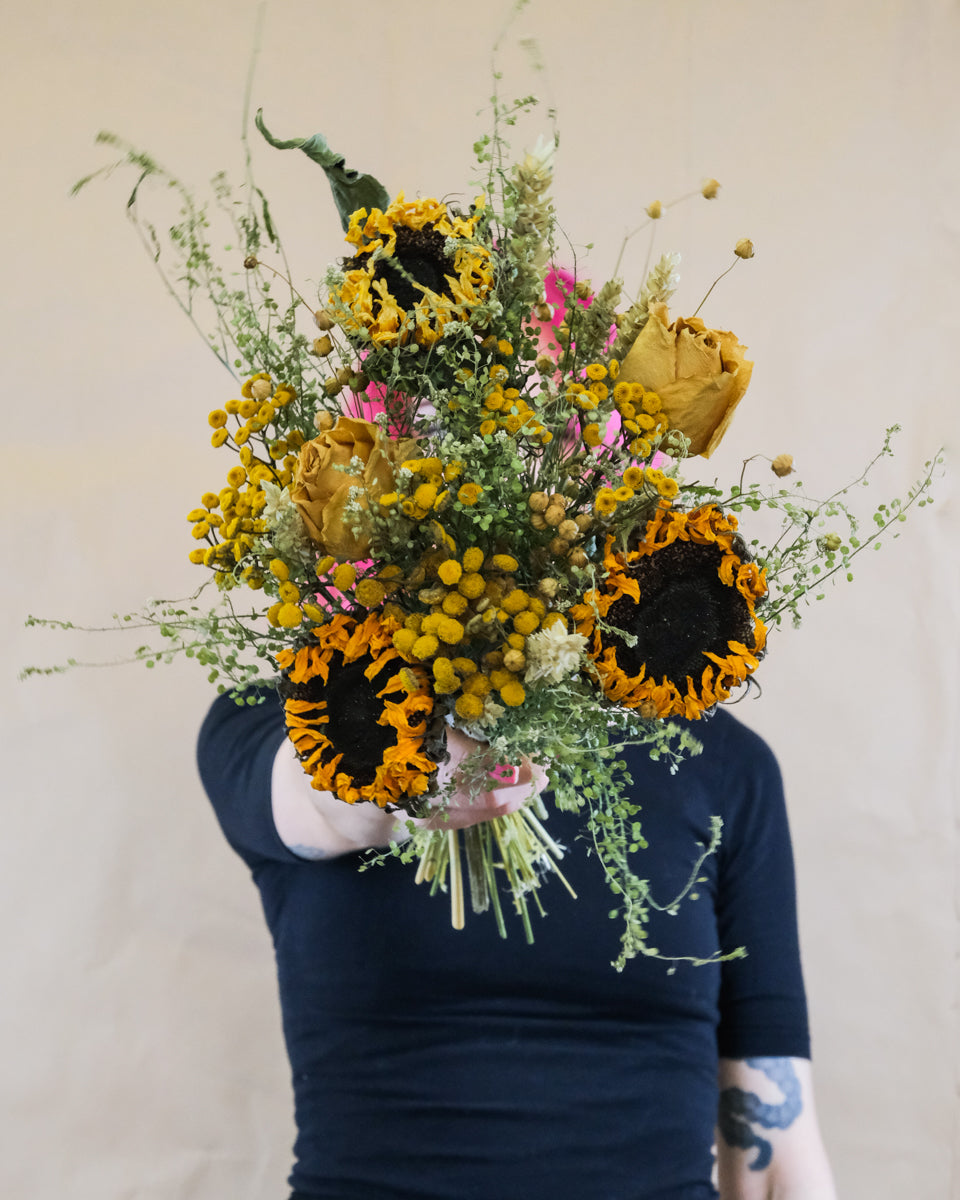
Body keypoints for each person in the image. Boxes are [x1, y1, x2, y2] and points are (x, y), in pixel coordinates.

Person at [198, 684, 837, 1200]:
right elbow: (327, 804)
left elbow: (777, 1143)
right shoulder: (293, 722)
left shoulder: (719, 762)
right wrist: (406, 767)